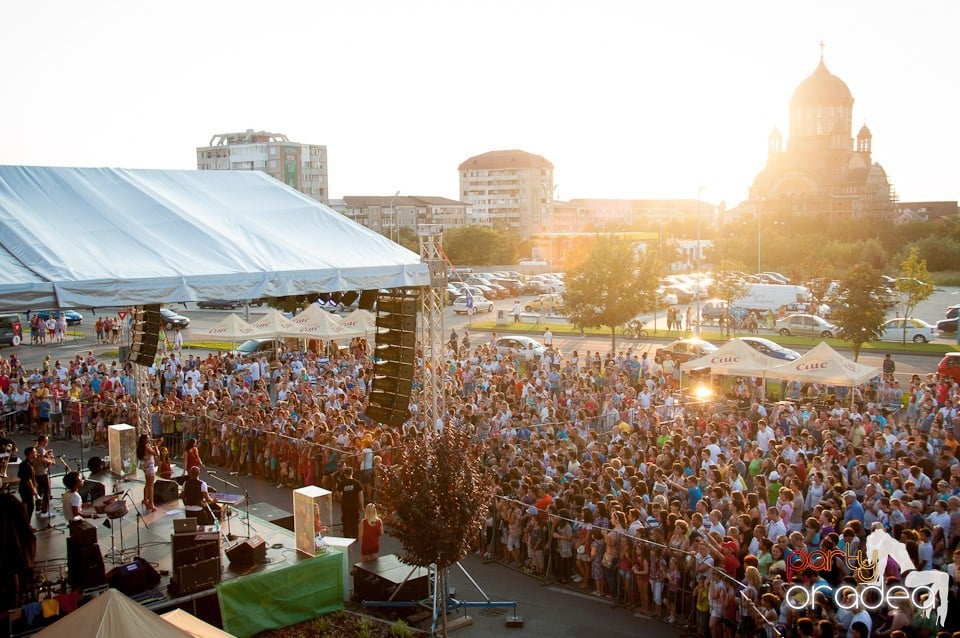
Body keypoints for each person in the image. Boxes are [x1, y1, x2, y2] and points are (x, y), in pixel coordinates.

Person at [335, 466, 364, 538]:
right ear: (352, 473)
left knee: (345, 520)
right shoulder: (357, 483)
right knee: (354, 520)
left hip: (345, 504)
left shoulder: (342, 483)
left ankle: (346, 535)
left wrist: (340, 499)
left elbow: (337, 492)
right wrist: (362, 506)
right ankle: (355, 535)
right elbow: (360, 495)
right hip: (354, 505)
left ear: (345, 474)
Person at [33, 434, 55, 519]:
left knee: (40, 490)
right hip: (41, 473)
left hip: (37, 473)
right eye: (46, 441)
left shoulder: (37, 448)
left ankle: (38, 507)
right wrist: (50, 461)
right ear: (41, 441)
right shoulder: (41, 449)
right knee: (47, 491)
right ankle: (44, 511)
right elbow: (41, 459)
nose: (47, 442)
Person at [136, 434, 159, 512]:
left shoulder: (143, 447)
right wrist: (156, 446)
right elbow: (157, 454)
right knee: (151, 485)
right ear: (145, 440)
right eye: (148, 438)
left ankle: (145, 499)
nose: (150, 439)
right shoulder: (147, 447)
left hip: (145, 466)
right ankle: (151, 503)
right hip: (149, 467)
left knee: (147, 484)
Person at [18, 446, 39, 527]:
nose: (36, 453)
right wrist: (33, 489)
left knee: (28, 507)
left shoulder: (28, 463)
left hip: (25, 489)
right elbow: (27, 479)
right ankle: (27, 525)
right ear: (30, 454)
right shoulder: (26, 465)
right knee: (29, 508)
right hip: (26, 490)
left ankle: (26, 524)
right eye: (34, 452)